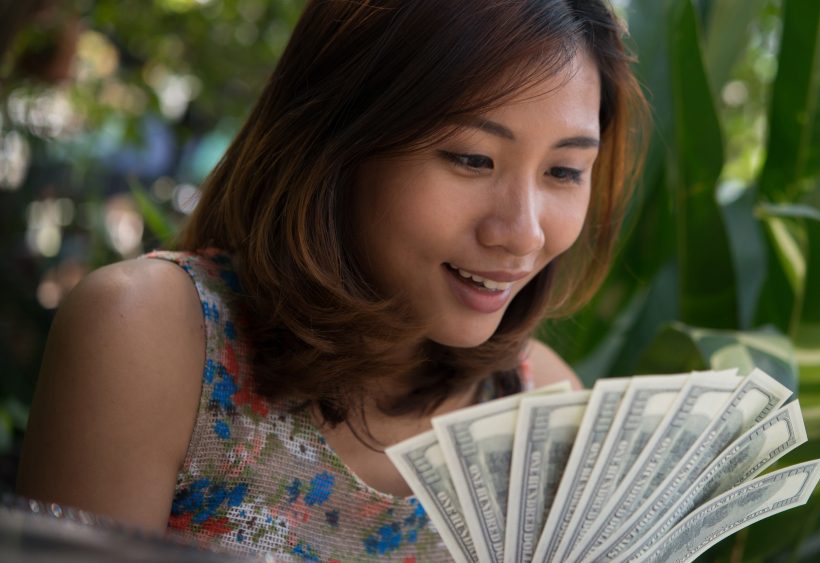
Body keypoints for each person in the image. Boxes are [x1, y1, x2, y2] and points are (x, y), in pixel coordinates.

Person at [16, 0, 647, 560]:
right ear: (341, 143)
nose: (523, 232)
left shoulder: (542, 408)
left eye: (564, 171)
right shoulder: (152, 336)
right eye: (471, 159)